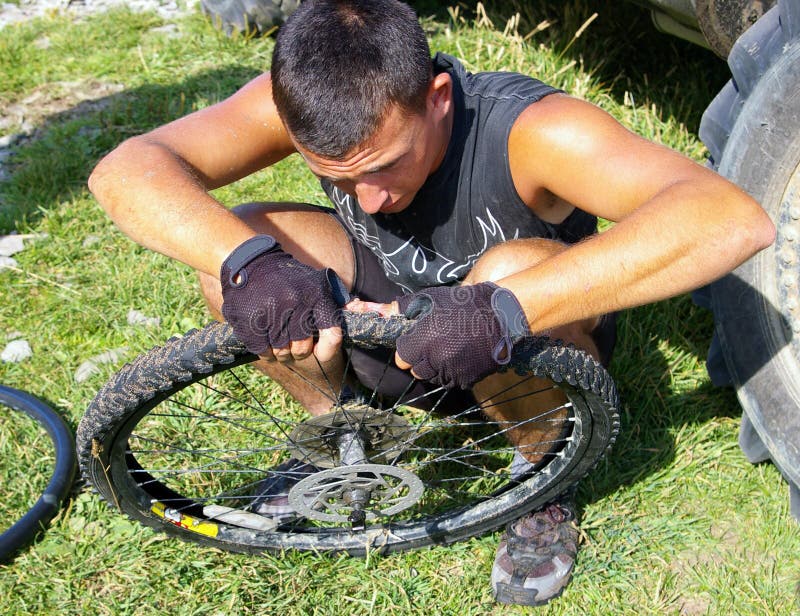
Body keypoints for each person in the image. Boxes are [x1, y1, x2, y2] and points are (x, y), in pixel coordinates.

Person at [87, 0, 774, 606]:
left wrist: (499, 309)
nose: (372, 199)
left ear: (438, 96)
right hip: (381, 328)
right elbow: (127, 169)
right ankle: (340, 434)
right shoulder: (308, 100)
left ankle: (541, 480)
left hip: (521, 359)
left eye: (387, 165)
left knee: (510, 267)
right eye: (339, 179)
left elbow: (728, 217)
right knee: (238, 251)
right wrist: (247, 264)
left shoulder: (534, 131)